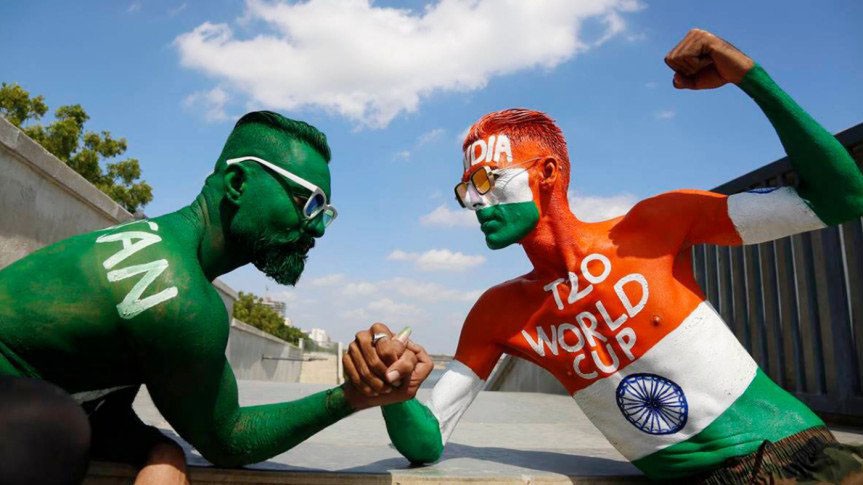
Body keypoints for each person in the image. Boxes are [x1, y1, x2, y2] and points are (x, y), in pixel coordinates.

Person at [346, 29, 863, 482]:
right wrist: (394, 393)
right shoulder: (498, 313)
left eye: (487, 180)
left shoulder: (654, 226)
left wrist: (750, 77)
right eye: (466, 189)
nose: (475, 202)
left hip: (801, 456)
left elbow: (843, 199)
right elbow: (429, 440)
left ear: (547, 174)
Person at [0, 111, 432, 485]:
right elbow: (227, 438)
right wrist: (351, 396)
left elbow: (102, 406)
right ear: (238, 182)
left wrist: (161, 451)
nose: (317, 229)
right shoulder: (177, 294)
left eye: (325, 213)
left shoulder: (154, 251)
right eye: (309, 203)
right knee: (54, 431)